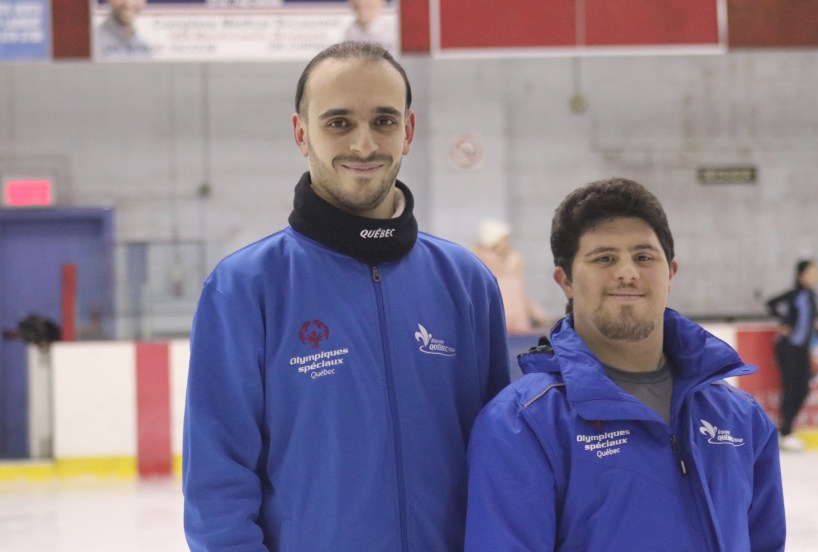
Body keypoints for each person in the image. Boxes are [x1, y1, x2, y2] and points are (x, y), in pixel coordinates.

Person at [182, 41, 511, 551]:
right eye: (338, 123)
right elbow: (216, 486)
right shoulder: (245, 288)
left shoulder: (466, 283)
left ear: (408, 131)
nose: (363, 145)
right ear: (301, 134)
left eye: (383, 120)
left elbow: (502, 465)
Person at [465, 178, 786, 551]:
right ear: (565, 280)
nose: (627, 272)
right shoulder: (522, 424)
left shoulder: (740, 417)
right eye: (604, 258)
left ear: (671, 273)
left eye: (644, 257)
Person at [766, 259, 818, 452]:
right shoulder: (795, 295)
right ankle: (786, 431)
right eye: (811, 273)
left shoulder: (813, 296)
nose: (815, 277)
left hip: (802, 348)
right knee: (790, 388)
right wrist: (784, 323)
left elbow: (810, 322)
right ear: (800, 275)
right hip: (787, 347)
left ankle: (787, 428)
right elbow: (771, 303)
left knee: (803, 388)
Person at [471, 218, 551, 334]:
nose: (506, 243)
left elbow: (522, 294)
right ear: (493, 241)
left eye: (507, 239)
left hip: (519, 322)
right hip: (494, 321)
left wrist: (539, 314)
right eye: (503, 239)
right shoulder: (479, 264)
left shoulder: (515, 261)